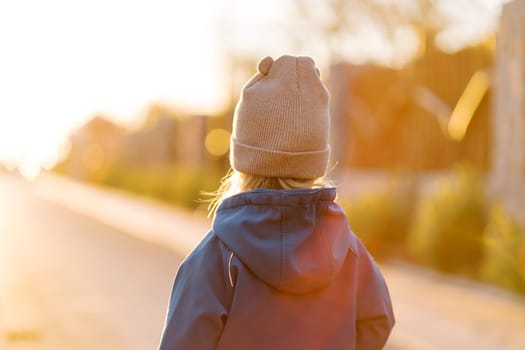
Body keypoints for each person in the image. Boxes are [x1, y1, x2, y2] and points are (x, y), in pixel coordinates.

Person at [158, 55, 395, 350]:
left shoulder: (217, 257)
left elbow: (183, 342)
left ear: (243, 159)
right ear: (316, 160)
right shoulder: (347, 249)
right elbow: (378, 318)